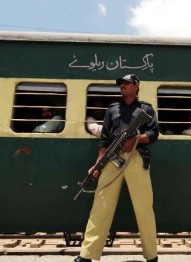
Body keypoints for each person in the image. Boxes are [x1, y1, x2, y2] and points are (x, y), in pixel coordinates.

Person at [75, 74, 159, 262]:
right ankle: (87, 255)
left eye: (127, 83)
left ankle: (152, 256)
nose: (123, 86)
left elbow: (154, 133)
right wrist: (98, 164)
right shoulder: (112, 109)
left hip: (136, 159)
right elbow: (104, 140)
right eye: (121, 83)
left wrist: (135, 139)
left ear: (137, 86)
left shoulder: (145, 108)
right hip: (112, 158)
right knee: (100, 206)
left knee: (144, 208)